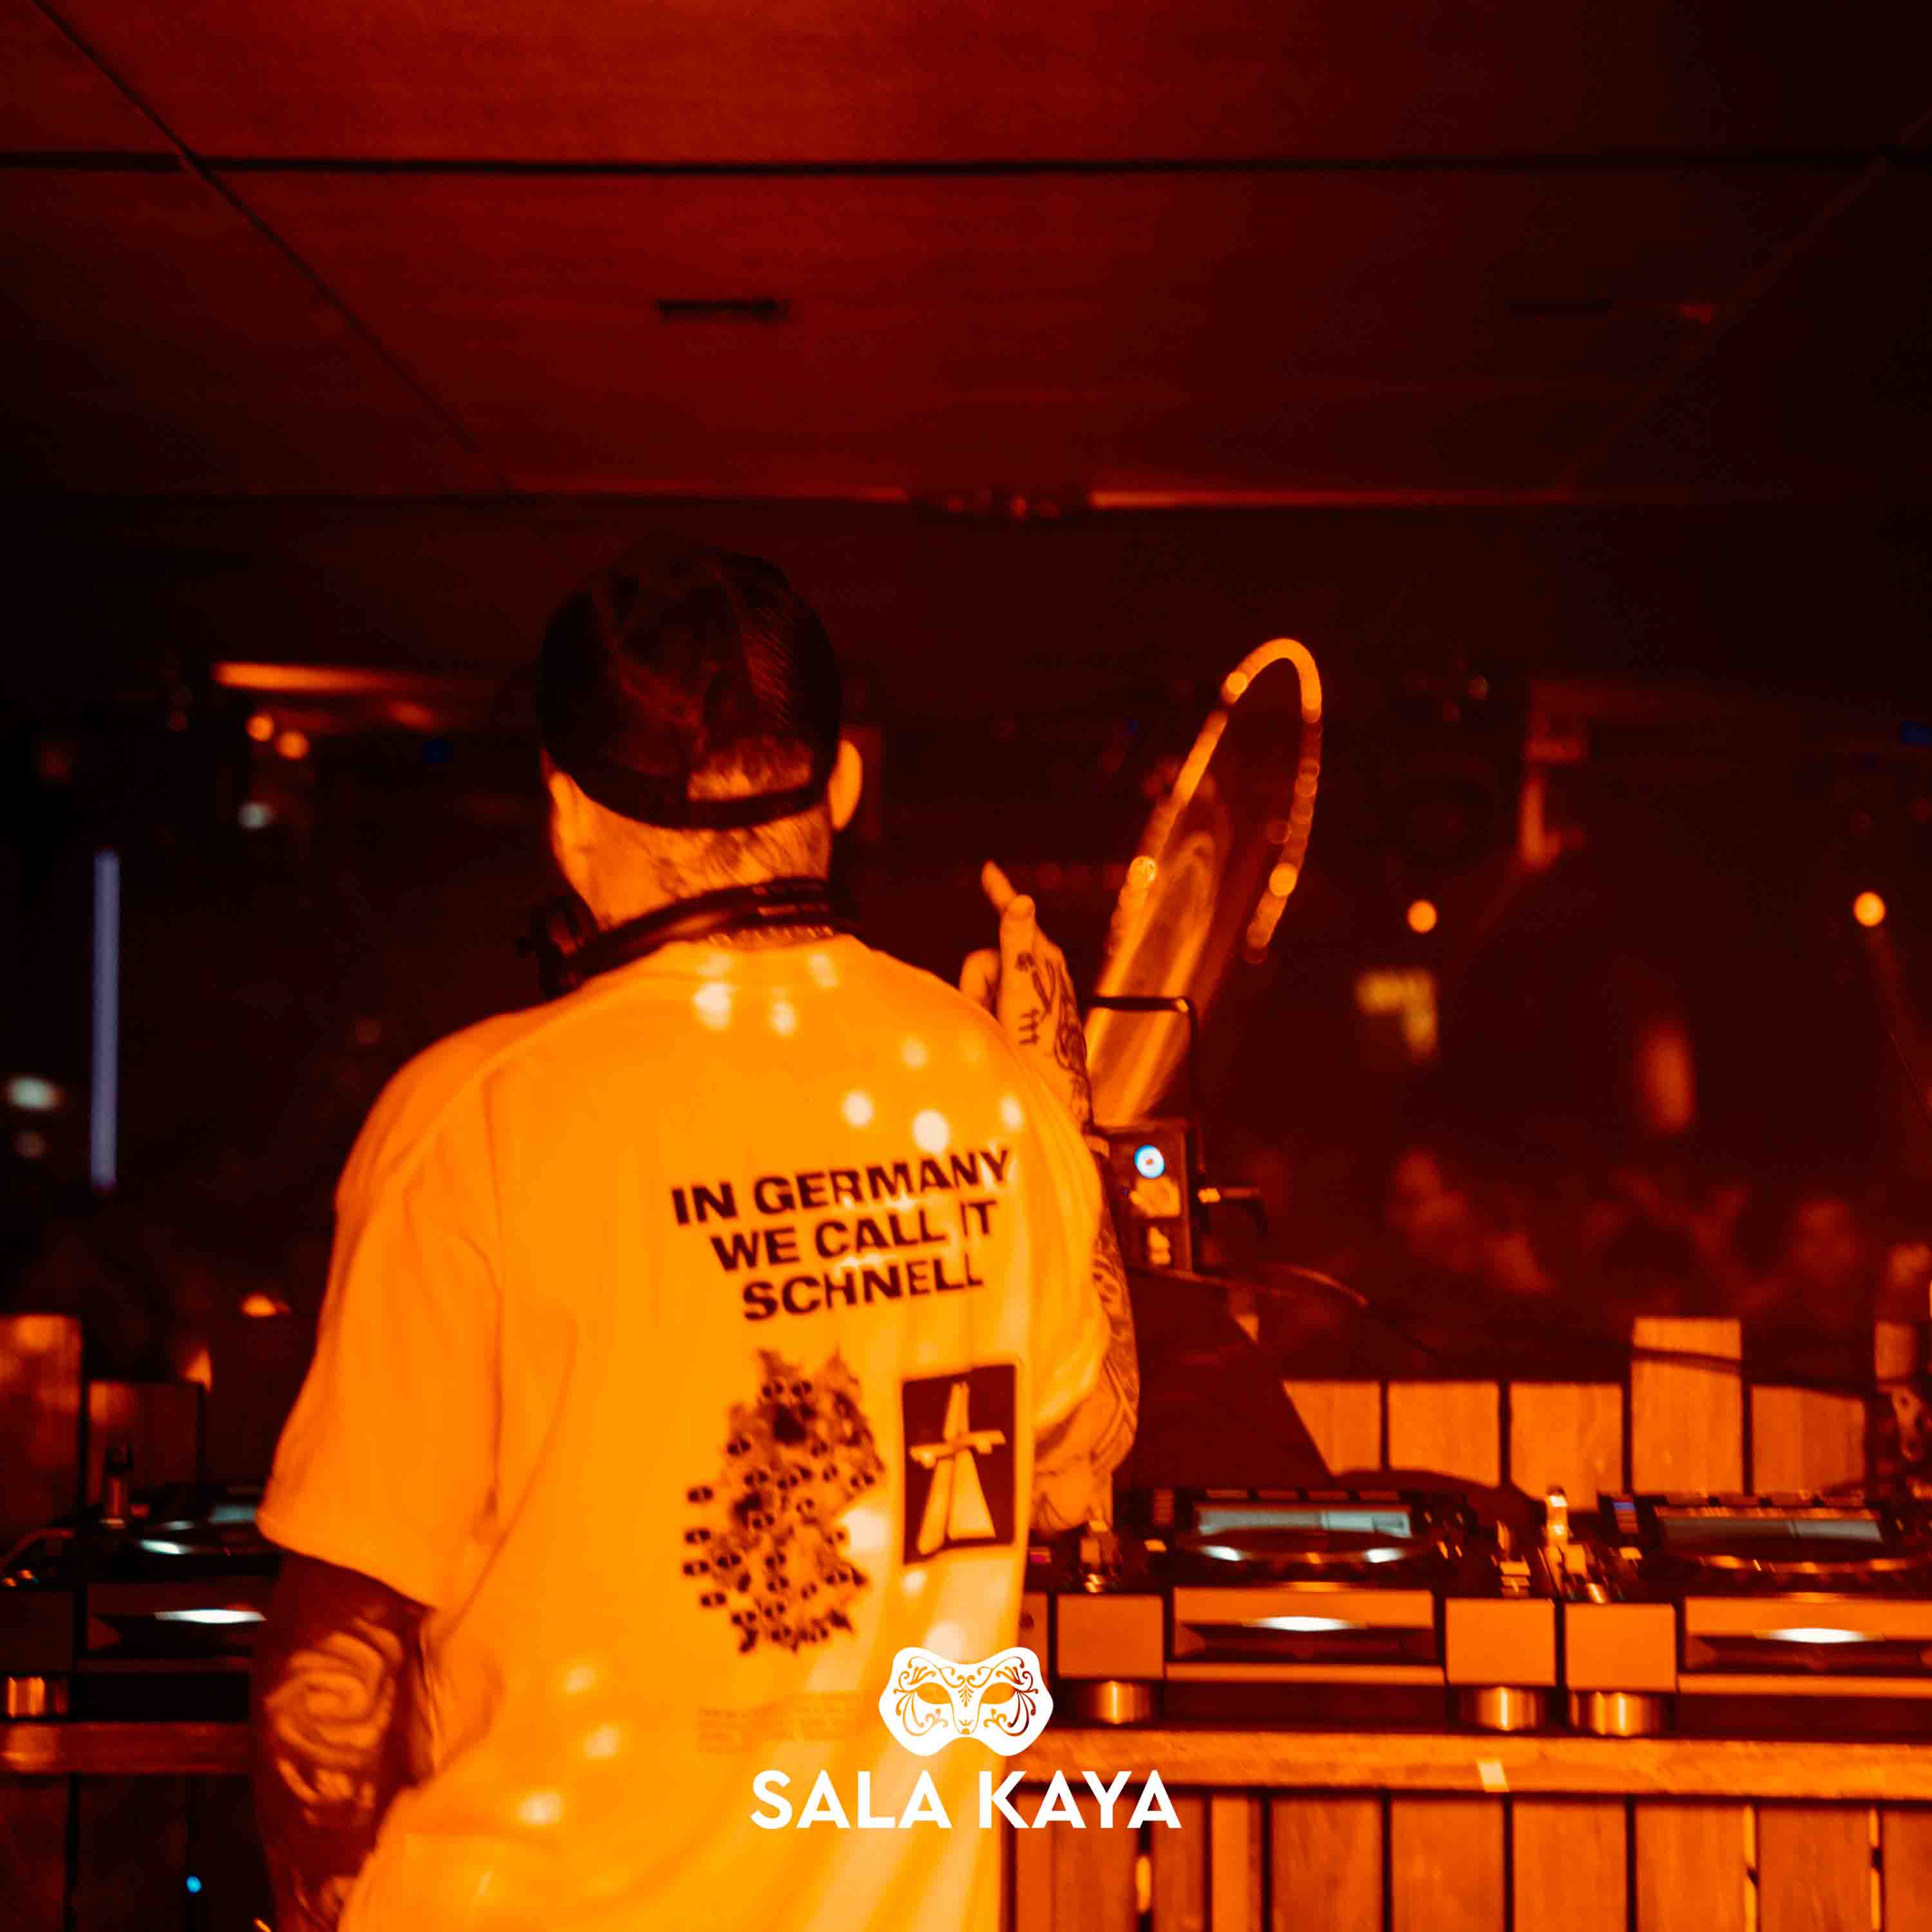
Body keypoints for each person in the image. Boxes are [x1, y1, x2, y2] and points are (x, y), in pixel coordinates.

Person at [247, 538, 1138, 1932]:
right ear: (842, 786)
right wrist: (1063, 1111)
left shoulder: (481, 1118)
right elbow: (1083, 1465)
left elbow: (331, 1676)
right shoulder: (990, 1093)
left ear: (566, 815)